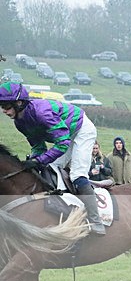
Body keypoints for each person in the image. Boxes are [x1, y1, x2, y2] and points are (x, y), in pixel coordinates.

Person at [0, 81, 106, 234]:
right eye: (2, 107)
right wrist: (35, 161)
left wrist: (39, 160)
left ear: (19, 102)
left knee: (77, 174)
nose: (4, 110)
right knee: (50, 169)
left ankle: (96, 221)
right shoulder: (20, 122)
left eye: (6, 106)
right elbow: (38, 146)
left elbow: (63, 143)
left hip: (81, 130)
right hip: (65, 135)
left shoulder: (41, 112)